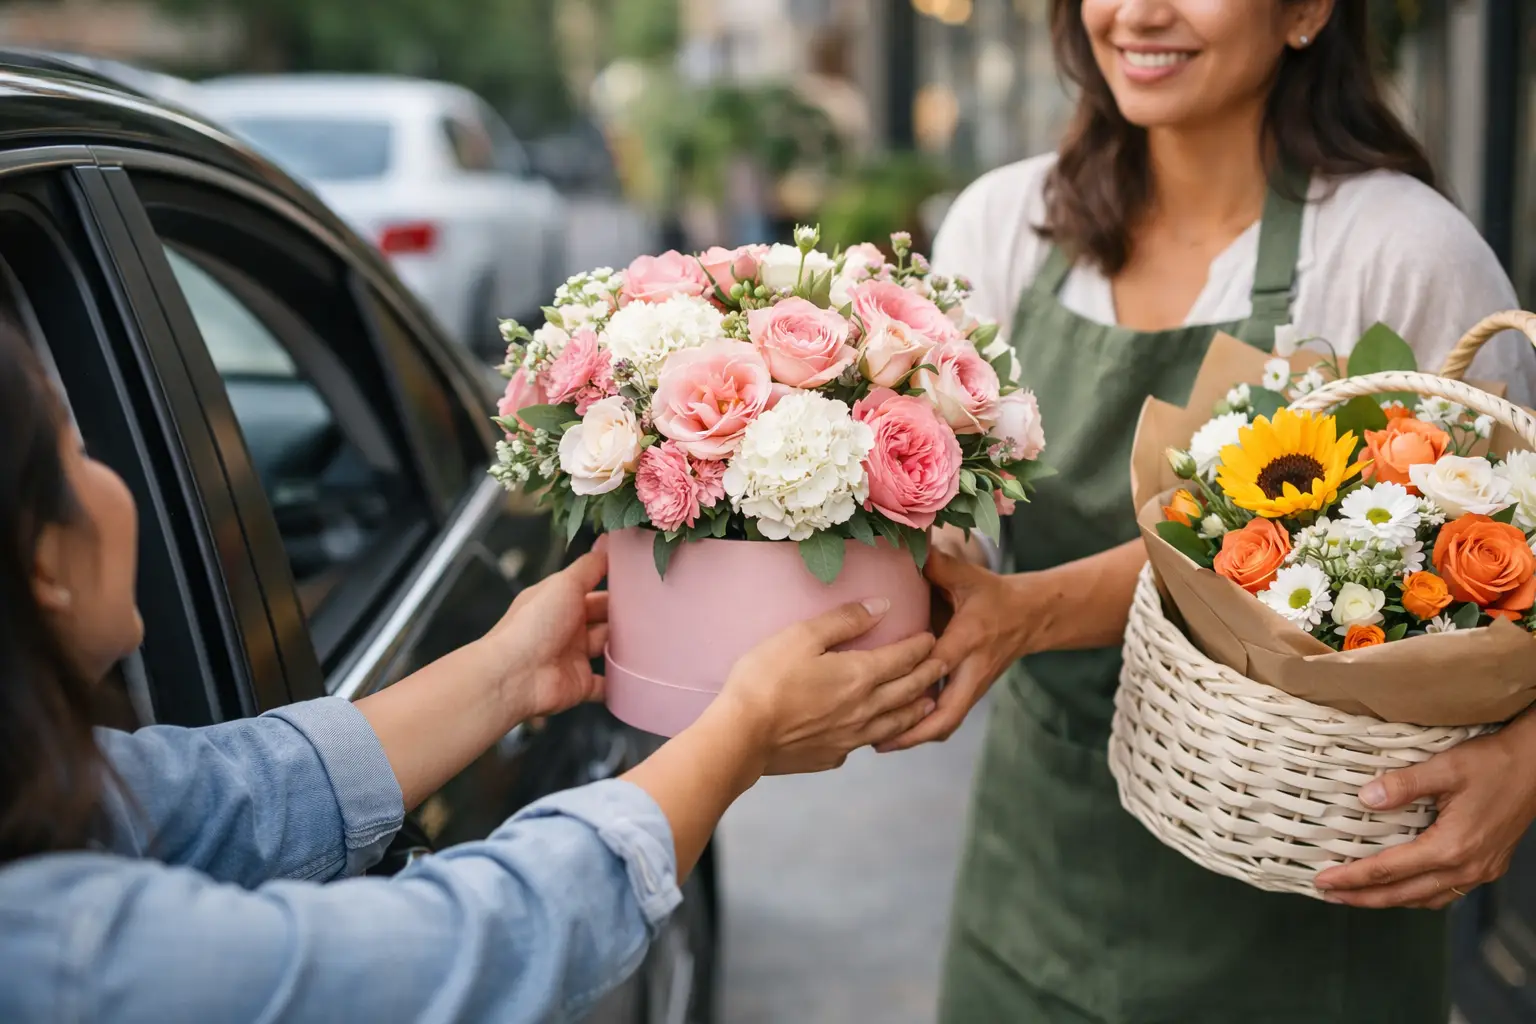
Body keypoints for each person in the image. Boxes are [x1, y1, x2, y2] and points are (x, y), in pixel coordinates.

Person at [881, 2, 1536, 1022]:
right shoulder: (1004, 225)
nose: (1141, 13)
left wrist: (1524, 763)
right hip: (1034, 896)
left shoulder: (1399, 252)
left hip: (1313, 919)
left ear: (1306, 11)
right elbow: (948, 508)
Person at [0, 322, 946, 1023]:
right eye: (79, 449)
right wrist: (741, 735)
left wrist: (507, 674)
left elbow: (238, 792)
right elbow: (462, 951)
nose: (106, 473)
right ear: (41, 560)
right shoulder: (64, 962)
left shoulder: (55, 802)